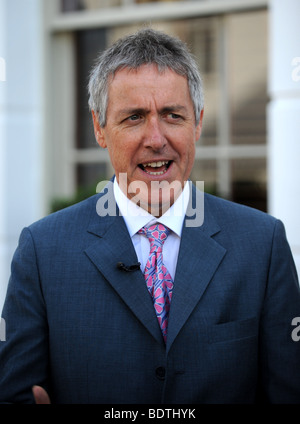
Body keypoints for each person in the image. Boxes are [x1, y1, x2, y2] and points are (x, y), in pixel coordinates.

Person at [0, 28, 300, 405]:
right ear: (99, 128)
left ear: (198, 123)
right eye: (134, 117)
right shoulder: (42, 252)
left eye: (173, 115)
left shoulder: (262, 245)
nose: (156, 138)